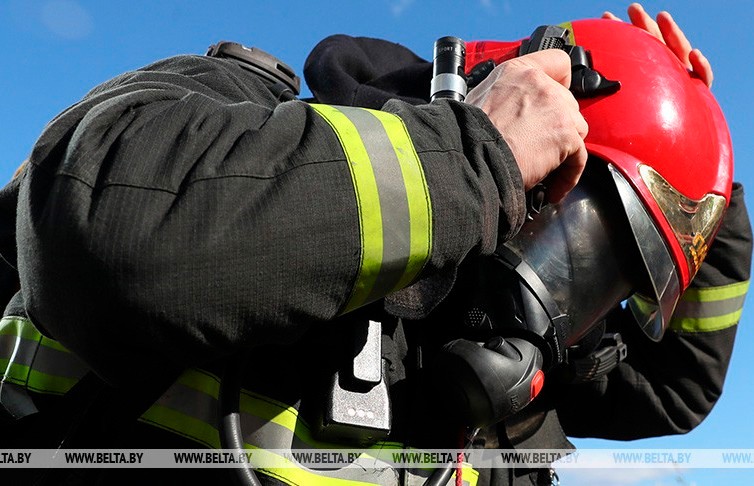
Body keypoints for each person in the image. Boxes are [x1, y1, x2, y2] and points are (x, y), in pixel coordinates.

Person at [0, 4, 749, 486]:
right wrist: (473, 159)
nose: (558, 295)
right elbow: (113, 233)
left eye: (601, 276)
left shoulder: (490, 350)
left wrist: (704, 180)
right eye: (569, 226)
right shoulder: (235, 108)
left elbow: (675, 387)